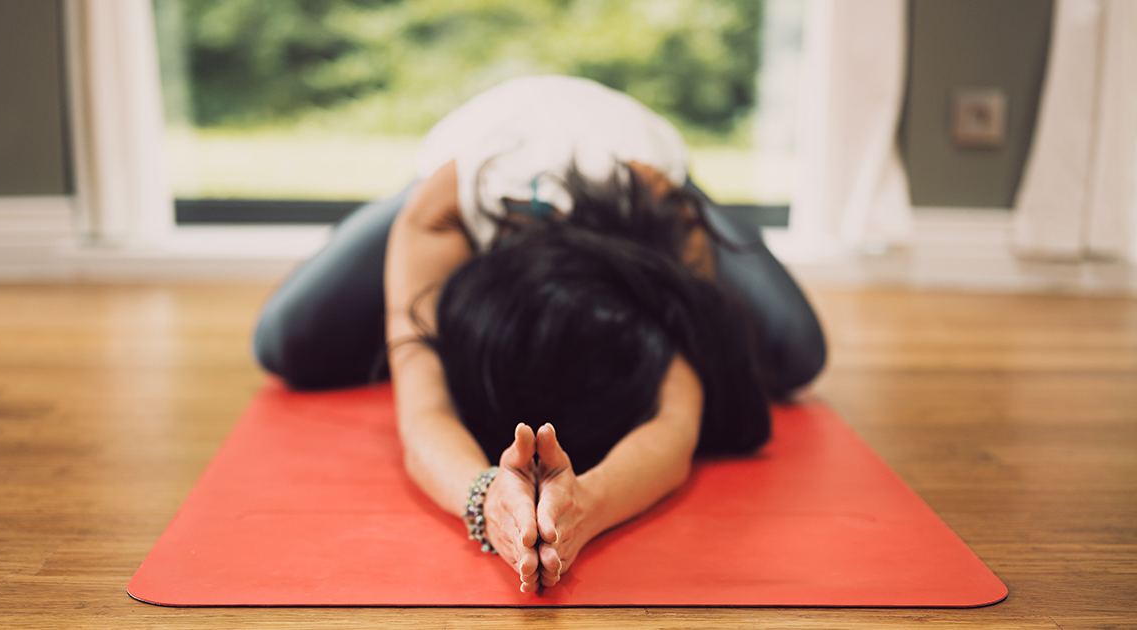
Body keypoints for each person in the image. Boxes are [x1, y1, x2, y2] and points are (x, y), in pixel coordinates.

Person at [253, 76, 826, 593]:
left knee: (796, 353)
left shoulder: (660, 217)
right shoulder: (441, 213)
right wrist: (486, 501)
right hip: (471, 145)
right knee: (285, 343)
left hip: (640, 155)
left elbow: (678, 419)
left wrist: (585, 508)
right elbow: (422, 413)